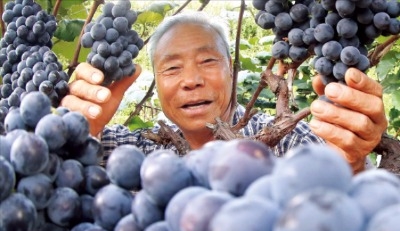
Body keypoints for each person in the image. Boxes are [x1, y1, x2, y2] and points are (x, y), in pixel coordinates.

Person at [61, 12, 387, 174]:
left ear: (231, 68)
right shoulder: (128, 149)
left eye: (207, 61)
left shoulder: (292, 142)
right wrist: (77, 132)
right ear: (155, 82)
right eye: (172, 68)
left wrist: (350, 165)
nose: (191, 80)